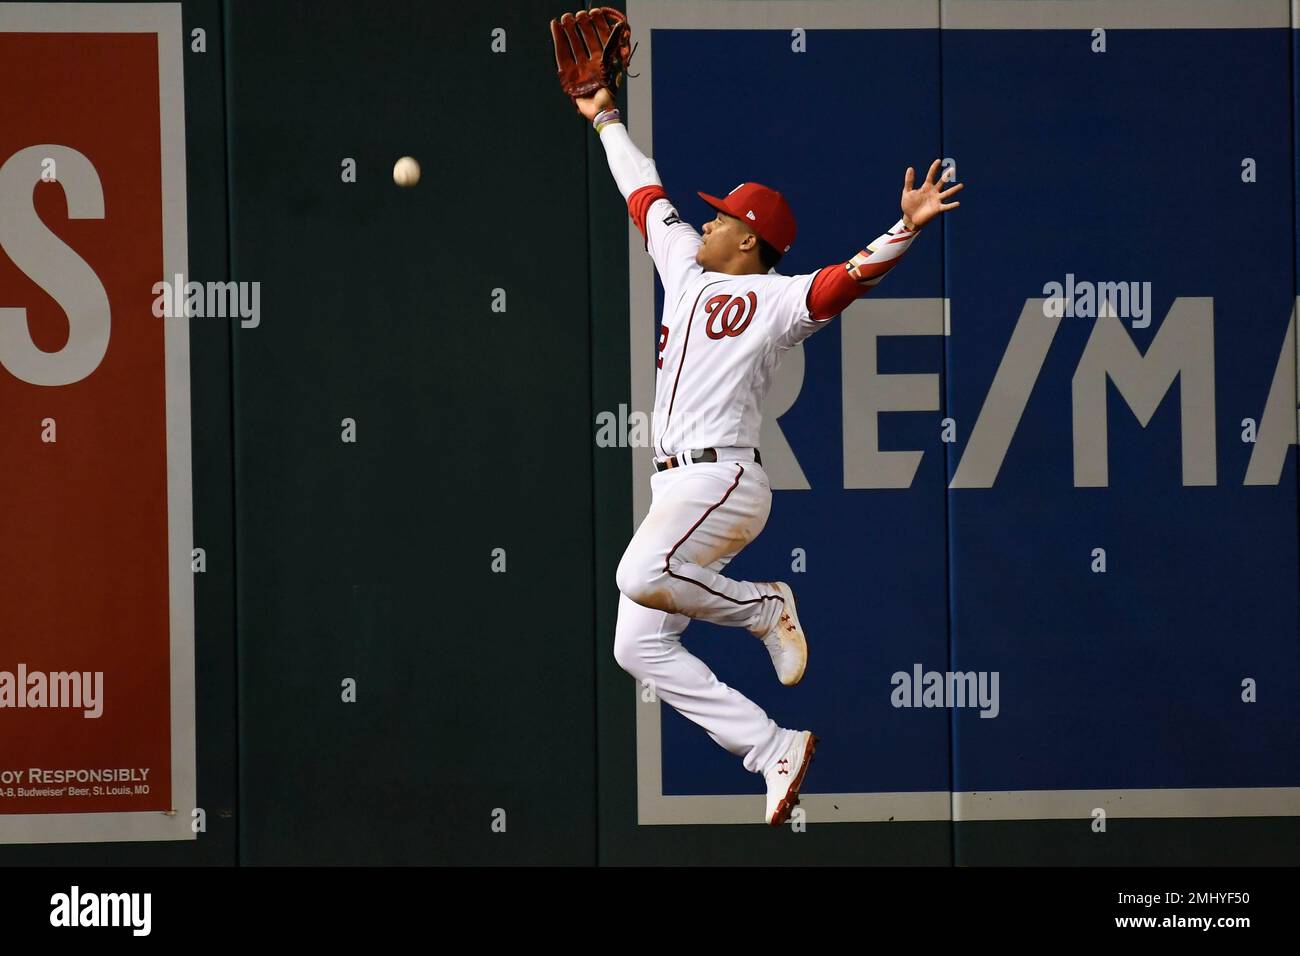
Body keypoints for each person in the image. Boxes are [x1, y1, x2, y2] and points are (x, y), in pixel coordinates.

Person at [578, 86, 963, 825]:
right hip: (677, 493)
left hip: (723, 479)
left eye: (722, 217)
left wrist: (905, 228)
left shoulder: (776, 300)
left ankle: (765, 606)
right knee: (637, 646)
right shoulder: (683, 265)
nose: (708, 221)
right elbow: (642, 188)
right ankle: (769, 748)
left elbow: (845, 279)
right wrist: (603, 116)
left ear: (749, 240)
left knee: (638, 572)